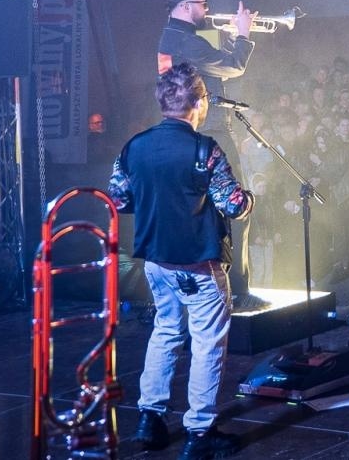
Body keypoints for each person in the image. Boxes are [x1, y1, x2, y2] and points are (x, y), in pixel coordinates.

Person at [110, 62, 254, 459]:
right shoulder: (203, 149)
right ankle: (199, 433)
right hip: (197, 263)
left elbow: (118, 199)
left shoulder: (134, 147)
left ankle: (150, 419)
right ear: (199, 102)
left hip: (156, 261)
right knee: (207, 342)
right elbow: (233, 205)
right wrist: (250, 199)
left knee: (166, 331)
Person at [156, 0, 267, 310]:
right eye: (202, 3)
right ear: (185, 6)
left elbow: (215, 62)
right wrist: (244, 33)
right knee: (237, 206)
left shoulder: (173, 37)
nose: (207, 9)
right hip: (211, 131)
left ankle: (213, 288)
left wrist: (232, 36)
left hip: (188, 132)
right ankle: (240, 290)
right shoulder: (185, 41)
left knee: (203, 213)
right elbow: (233, 66)